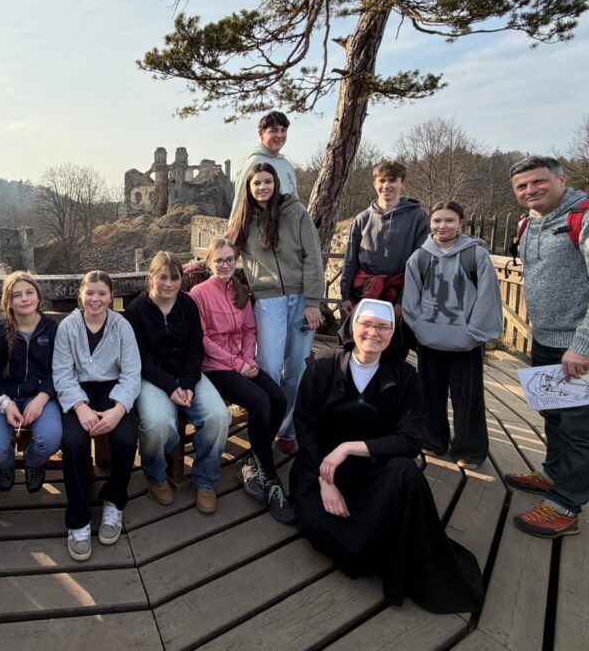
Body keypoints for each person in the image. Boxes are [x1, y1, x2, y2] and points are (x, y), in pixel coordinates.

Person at [290, 299, 484, 613]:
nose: (373, 332)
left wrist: (347, 448)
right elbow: (305, 426)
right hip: (321, 470)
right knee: (338, 540)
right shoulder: (322, 366)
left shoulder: (405, 376)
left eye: (383, 327)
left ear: (393, 334)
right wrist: (326, 480)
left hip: (373, 470)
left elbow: (410, 440)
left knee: (407, 473)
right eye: (366, 324)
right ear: (353, 326)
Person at [504, 156, 589, 538]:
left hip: (586, 347)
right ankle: (553, 474)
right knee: (555, 417)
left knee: (580, 428)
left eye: (538, 182)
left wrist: (585, 344)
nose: (530, 190)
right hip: (547, 340)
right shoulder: (530, 223)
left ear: (562, 179)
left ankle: (565, 504)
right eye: (521, 186)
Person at [190, 238, 296, 524]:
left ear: (236, 261)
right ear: (209, 263)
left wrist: (248, 358)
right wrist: (237, 363)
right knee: (260, 403)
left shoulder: (240, 290)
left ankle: (256, 458)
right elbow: (203, 339)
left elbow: (249, 329)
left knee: (278, 399)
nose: (225, 265)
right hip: (215, 366)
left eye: (230, 260)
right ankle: (269, 477)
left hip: (242, 362)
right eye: (219, 260)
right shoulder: (199, 293)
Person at [227, 162, 325, 455]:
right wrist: (199, 264)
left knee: (297, 367)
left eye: (267, 182)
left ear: (276, 183)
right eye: (256, 183)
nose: (262, 187)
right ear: (249, 187)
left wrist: (313, 302)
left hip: (301, 302)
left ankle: (287, 429)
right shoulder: (244, 217)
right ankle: (266, 425)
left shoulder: (296, 212)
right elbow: (226, 250)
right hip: (269, 302)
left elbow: (313, 257)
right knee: (269, 367)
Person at [126, 252, 230, 513]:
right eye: (162, 277)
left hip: (187, 374)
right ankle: (156, 476)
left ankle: (205, 479)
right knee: (157, 424)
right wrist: (171, 387)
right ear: (151, 277)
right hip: (152, 377)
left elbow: (196, 347)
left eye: (174, 278)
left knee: (218, 417)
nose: (169, 284)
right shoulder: (137, 310)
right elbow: (141, 357)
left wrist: (187, 383)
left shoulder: (187, 305)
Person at [402, 201, 503, 469]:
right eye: (437, 221)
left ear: (460, 223)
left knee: (467, 397)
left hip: (465, 341)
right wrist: (420, 328)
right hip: (430, 339)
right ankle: (432, 439)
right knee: (430, 393)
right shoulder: (420, 257)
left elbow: (487, 297)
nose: (442, 226)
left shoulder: (476, 255)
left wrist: (474, 333)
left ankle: (469, 449)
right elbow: (410, 298)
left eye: (449, 220)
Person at [54, 270, 141, 562]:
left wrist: (119, 409)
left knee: (126, 439)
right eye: (90, 292)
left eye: (102, 293)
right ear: (81, 294)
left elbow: (132, 373)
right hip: (78, 390)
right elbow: (62, 374)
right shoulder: (68, 327)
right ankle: (78, 518)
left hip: (113, 388)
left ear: (111, 296)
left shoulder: (122, 326)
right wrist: (80, 407)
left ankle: (114, 500)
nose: (95, 299)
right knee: (73, 442)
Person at [339, 161, 429, 359]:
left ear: (402, 183)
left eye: (392, 180)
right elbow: (350, 260)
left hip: (396, 293)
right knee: (359, 347)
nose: (386, 185)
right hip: (364, 292)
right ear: (375, 184)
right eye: (381, 181)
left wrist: (403, 302)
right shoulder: (362, 218)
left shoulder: (418, 217)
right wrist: (345, 295)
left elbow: (419, 264)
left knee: (393, 353)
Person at [0, 271, 62, 494]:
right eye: (17, 295)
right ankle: (5, 462)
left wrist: (42, 399)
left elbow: (58, 371)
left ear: (38, 296)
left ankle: (33, 461)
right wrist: (5, 404)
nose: (24, 299)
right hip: (3, 398)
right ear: (8, 301)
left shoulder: (51, 329)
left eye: (29, 292)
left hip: (40, 396)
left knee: (50, 439)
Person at [230, 110, 299, 219]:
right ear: (261, 134)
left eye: (283, 130)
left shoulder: (286, 165)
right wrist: (233, 227)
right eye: (274, 131)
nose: (279, 135)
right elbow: (240, 205)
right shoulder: (254, 163)